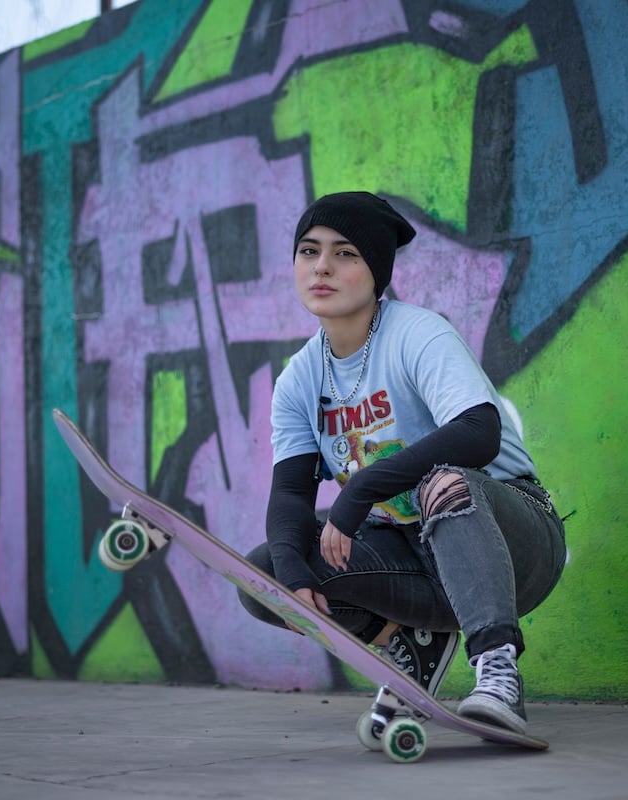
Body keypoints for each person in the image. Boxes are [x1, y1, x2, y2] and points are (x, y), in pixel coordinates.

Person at [238, 191, 567, 733]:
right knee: (267, 571)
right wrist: (295, 585)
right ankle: (409, 638)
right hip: (413, 556)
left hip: (516, 541)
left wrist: (362, 488)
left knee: (446, 482)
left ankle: (497, 672)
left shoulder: (417, 333)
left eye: (345, 254)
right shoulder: (299, 378)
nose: (321, 266)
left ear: (376, 272)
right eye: (308, 251)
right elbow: (291, 497)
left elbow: (479, 432)